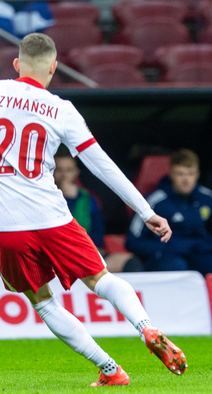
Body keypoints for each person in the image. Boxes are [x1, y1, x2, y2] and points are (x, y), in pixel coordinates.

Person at [0, 33, 187, 387]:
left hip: (6, 224)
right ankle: (147, 328)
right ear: (53, 68)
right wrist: (146, 211)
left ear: (15, 65)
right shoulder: (61, 109)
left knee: (43, 303)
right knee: (101, 279)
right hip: (53, 216)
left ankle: (110, 369)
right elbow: (102, 166)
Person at [126, 149, 212, 275]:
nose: (186, 179)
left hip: (198, 251)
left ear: (197, 174)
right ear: (171, 174)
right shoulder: (155, 200)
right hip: (165, 255)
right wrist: (163, 248)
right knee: (176, 266)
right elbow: (133, 241)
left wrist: (206, 245)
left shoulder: (208, 198)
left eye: (190, 174)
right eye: (180, 174)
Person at [53, 146, 105, 251]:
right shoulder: (44, 197)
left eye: (68, 170)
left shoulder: (88, 199)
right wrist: (68, 200)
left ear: (76, 172)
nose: (64, 175)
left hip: (86, 253)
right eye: (59, 170)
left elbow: (99, 237)